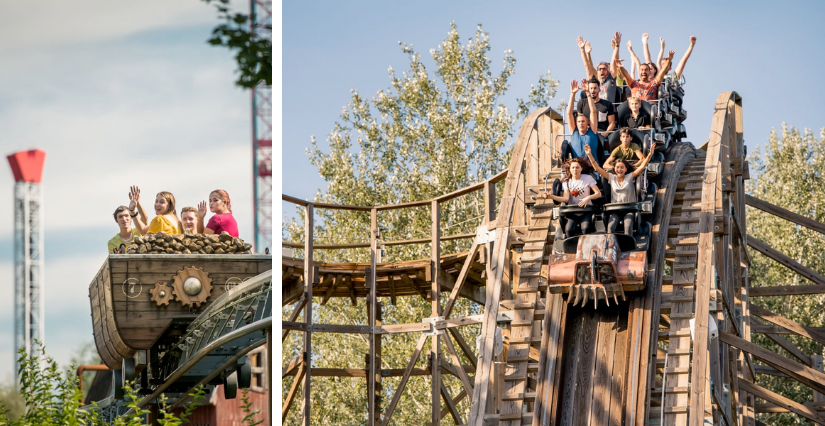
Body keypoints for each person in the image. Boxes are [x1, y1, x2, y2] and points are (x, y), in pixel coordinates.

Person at [584, 143, 657, 235]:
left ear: (626, 169)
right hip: (616, 209)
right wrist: (589, 154)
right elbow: (597, 168)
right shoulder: (611, 177)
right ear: (614, 169)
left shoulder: (630, 177)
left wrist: (650, 154)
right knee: (610, 226)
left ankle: (629, 246)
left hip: (629, 208)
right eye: (617, 167)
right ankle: (611, 246)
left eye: (622, 167)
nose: (619, 169)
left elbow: (642, 167)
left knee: (628, 225)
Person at [560, 158, 601, 237]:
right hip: (573, 210)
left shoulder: (587, 178)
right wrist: (551, 196)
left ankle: (586, 247)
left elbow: (598, 194)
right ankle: (573, 247)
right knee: (569, 230)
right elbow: (565, 199)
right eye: (573, 167)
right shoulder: (566, 181)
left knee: (585, 228)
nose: (575, 169)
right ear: (570, 169)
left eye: (577, 167)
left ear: (581, 168)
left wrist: (588, 198)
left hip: (585, 209)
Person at [576, 32, 621, 103]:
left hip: (609, 111)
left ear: (608, 71)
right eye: (600, 69)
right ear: (597, 71)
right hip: (596, 110)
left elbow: (613, 61)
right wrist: (582, 49)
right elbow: (587, 65)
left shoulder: (610, 79)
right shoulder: (594, 81)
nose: (602, 71)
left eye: (604, 69)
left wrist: (617, 46)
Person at [561, 80, 600, 161]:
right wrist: (572, 94)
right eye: (579, 122)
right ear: (576, 123)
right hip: (578, 169)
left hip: (592, 170)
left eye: (583, 121)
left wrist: (587, 93)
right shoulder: (574, 132)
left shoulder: (592, 131)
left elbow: (593, 111)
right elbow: (569, 113)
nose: (581, 123)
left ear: (587, 123)